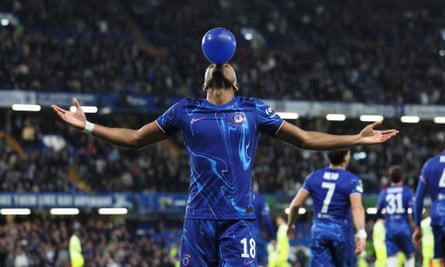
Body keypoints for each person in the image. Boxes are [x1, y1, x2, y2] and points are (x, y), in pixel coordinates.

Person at [52, 57, 398, 266]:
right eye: (215, 65)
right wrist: (87, 126)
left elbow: (306, 139)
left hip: (238, 221)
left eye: (228, 65)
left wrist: (356, 137)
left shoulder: (252, 109)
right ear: (205, 81)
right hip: (197, 219)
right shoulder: (184, 110)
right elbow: (135, 138)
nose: (221, 64)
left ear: (236, 81)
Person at [286, 149, 367, 267]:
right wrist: (361, 234)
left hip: (319, 231)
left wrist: (290, 224)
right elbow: (357, 208)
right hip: (341, 231)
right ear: (346, 157)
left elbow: (295, 204)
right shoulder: (352, 180)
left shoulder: (313, 176)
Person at [375, 165, 415, 267]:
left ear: (390, 178)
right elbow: (414, 209)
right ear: (402, 177)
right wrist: (414, 222)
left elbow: (378, 210)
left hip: (390, 229)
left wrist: (381, 218)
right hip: (403, 228)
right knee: (410, 255)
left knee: (392, 257)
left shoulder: (384, 192)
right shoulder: (407, 191)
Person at [412, 150, 445, 267]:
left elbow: (419, 198)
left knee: (441, 260)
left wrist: (417, 226)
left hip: (437, 215)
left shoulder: (430, 163)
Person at [254, 192, 276, 267]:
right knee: (261, 263)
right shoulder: (259, 198)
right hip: (256, 235)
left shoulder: (238, 197)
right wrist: (272, 237)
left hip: (240, 235)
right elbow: (267, 220)